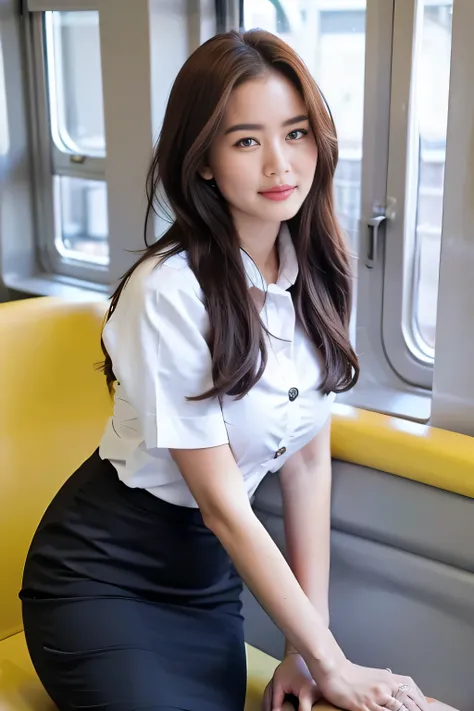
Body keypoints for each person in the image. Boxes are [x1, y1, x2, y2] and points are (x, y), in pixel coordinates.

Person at [20, 29, 429, 711]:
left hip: (205, 584)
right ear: (203, 160)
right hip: (101, 576)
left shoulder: (319, 274)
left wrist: (308, 643)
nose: (280, 163)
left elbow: (304, 463)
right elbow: (221, 503)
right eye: (246, 141)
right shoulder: (169, 292)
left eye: (296, 133)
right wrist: (335, 665)